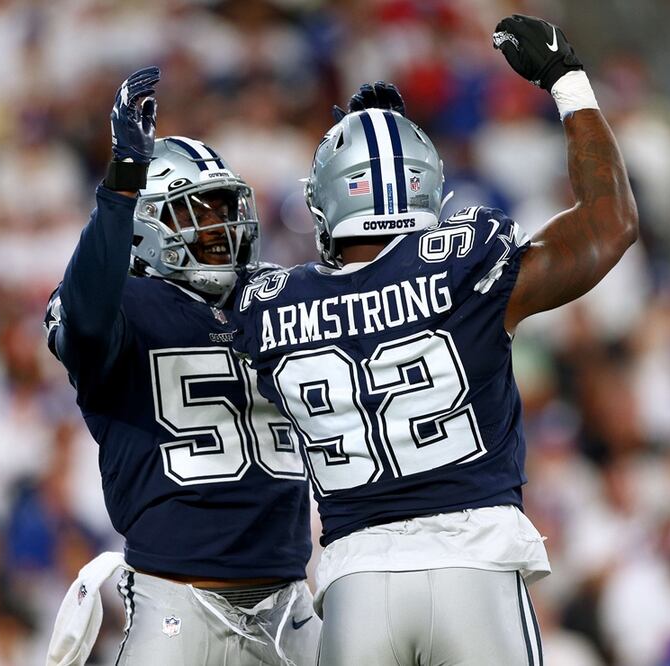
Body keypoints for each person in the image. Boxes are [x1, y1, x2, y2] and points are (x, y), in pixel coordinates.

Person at [231, 15, 638, 666]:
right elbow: (608, 222)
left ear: (324, 201)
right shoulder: (465, 268)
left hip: (355, 584)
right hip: (473, 564)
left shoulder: (272, 305)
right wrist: (568, 83)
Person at [43, 67, 319, 666]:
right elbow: (86, 320)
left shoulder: (269, 298)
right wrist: (120, 184)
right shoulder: (126, 307)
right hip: (180, 603)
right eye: (197, 211)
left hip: (290, 602)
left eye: (224, 209)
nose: (219, 228)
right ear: (144, 225)